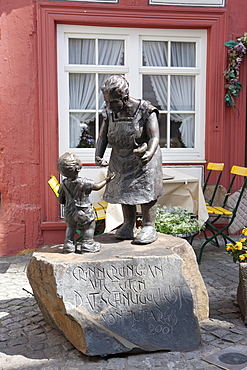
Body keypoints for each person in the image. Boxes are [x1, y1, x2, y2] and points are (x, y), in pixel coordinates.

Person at [95, 75, 163, 244]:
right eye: (107, 102)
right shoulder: (109, 113)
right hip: (120, 157)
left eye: (113, 102)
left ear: (125, 98)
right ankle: (128, 224)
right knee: (123, 190)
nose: (109, 107)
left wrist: (149, 152)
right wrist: (98, 154)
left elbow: (154, 137)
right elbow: (102, 137)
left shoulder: (146, 110)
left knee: (145, 190)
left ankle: (148, 226)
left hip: (143, 158)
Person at [57, 152, 115, 253]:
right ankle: (88, 244)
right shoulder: (85, 182)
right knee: (90, 224)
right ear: (78, 168)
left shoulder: (63, 184)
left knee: (71, 226)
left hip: (70, 211)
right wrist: (107, 180)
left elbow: (60, 200)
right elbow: (97, 187)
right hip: (84, 209)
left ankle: (68, 245)